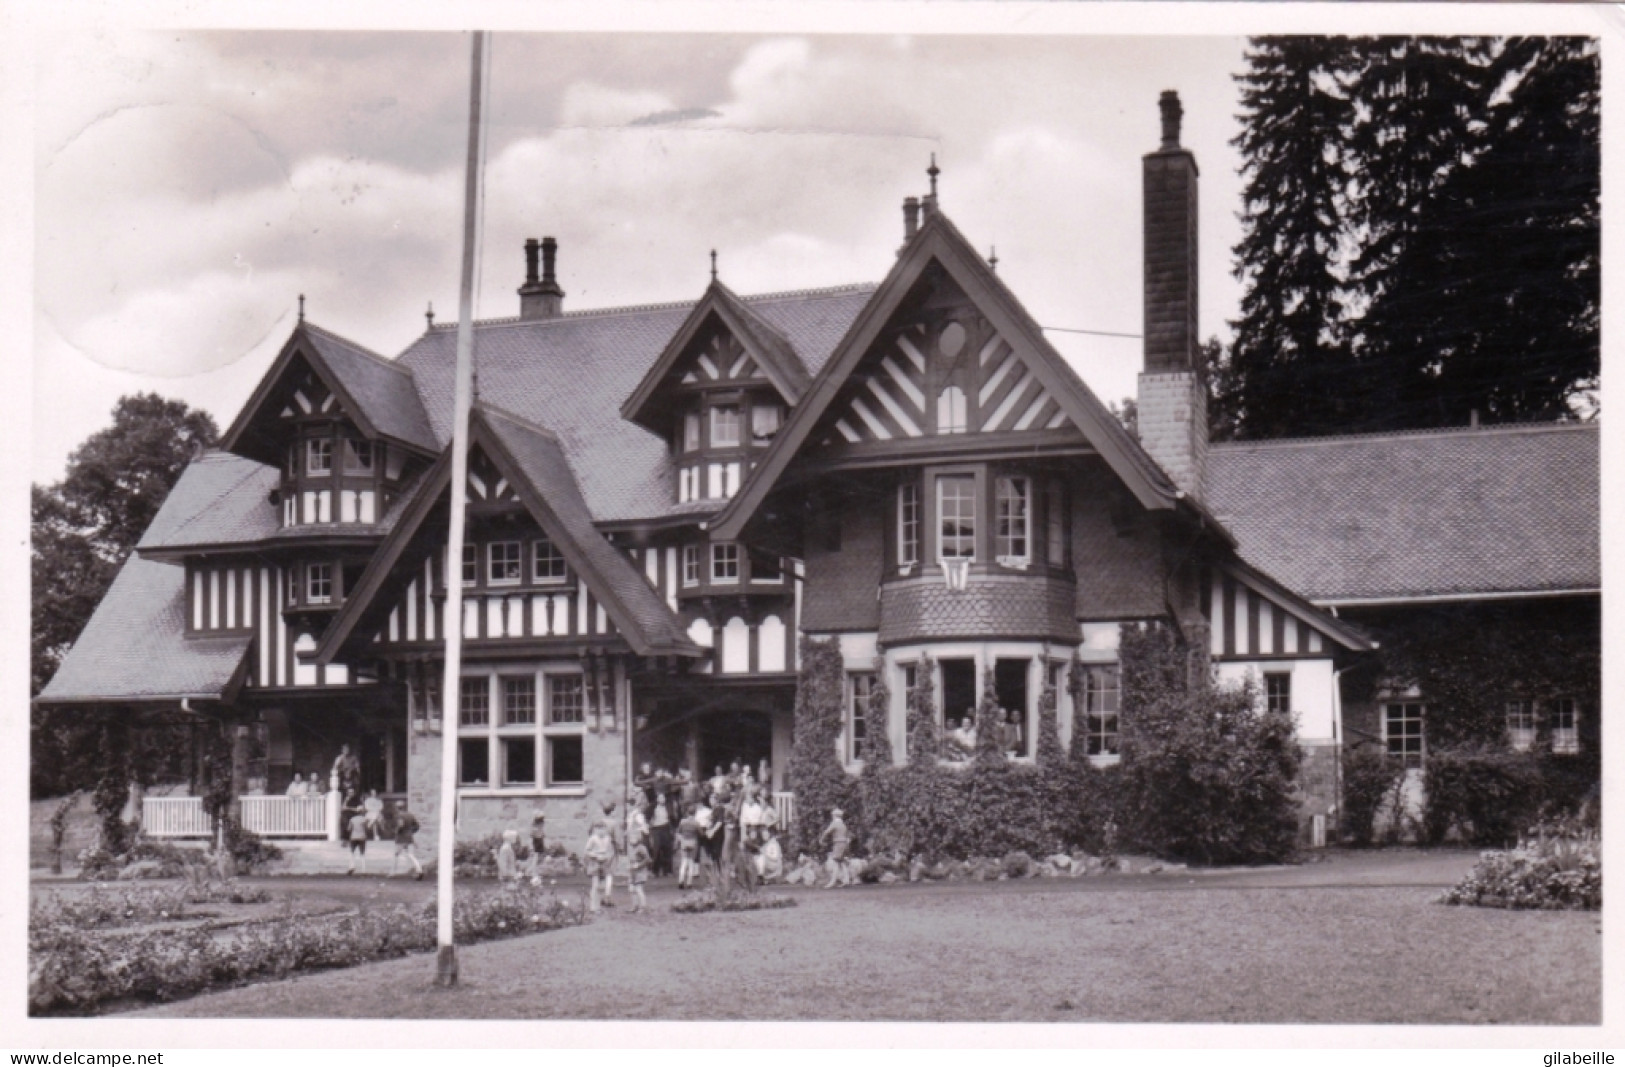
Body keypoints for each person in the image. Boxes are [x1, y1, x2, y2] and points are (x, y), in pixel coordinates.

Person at [583, 820, 615, 913]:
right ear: (594, 830)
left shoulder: (608, 838)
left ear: (606, 829)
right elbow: (587, 851)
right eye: (598, 829)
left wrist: (608, 857)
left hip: (605, 862)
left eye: (603, 829)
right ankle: (593, 907)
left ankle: (602, 901)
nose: (601, 831)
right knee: (595, 885)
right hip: (595, 862)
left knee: (604, 884)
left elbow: (611, 850)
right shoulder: (593, 839)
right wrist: (595, 855)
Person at [819, 807, 852, 888]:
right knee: (842, 861)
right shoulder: (843, 824)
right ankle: (846, 880)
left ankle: (832, 881)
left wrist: (821, 839)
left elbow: (827, 832)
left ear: (834, 816)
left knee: (836, 862)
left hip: (838, 843)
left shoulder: (835, 823)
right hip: (844, 843)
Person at [391, 804, 423, 879]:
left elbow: (400, 825)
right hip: (409, 837)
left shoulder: (399, 815)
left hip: (401, 838)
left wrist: (396, 831)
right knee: (410, 854)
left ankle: (393, 872)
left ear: (397, 808)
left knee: (396, 854)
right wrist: (411, 832)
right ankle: (419, 869)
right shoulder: (410, 815)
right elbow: (417, 826)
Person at [675, 803, 700, 889]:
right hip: (693, 842)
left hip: (684, 842)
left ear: (687, 813)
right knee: (691, 862)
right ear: (695, 813)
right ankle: (689, 883)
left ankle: (681, 881)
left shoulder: (682, 821)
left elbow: (679, 831)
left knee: (684, 861)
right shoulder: (696, 823)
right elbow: (701, 833)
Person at [628, 828, 651, 913]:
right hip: (632, 872)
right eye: (630, 838)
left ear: (639, 838)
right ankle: (635, 905)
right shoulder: (632, 848)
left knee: (638, 889)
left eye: (634, 838)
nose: (631, 840)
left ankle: (643, 907)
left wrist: (639, 865)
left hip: (640, 872)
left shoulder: (642, 848)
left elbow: (647, 859)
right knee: (631, 889)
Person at [650, 792, 673, 878]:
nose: (662, 799)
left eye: (663, 798)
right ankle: (655, 870)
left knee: (667, 849)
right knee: (656, 849)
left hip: (666, 828)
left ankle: (667, 871)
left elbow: (672, 817)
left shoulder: (668, 807)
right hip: (656, 829)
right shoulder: (653, 807)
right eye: (660, 798)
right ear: (657, 799)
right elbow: (648, 816)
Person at [345, 803, 370, 875]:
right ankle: (363, 869)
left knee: (352, 853)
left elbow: (348, 829)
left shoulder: (352, 819)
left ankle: (351, 866)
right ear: (362, 812)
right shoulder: (365, 819)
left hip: (353, 837)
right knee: (362, 853)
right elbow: (367, 828)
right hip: (362, 837)